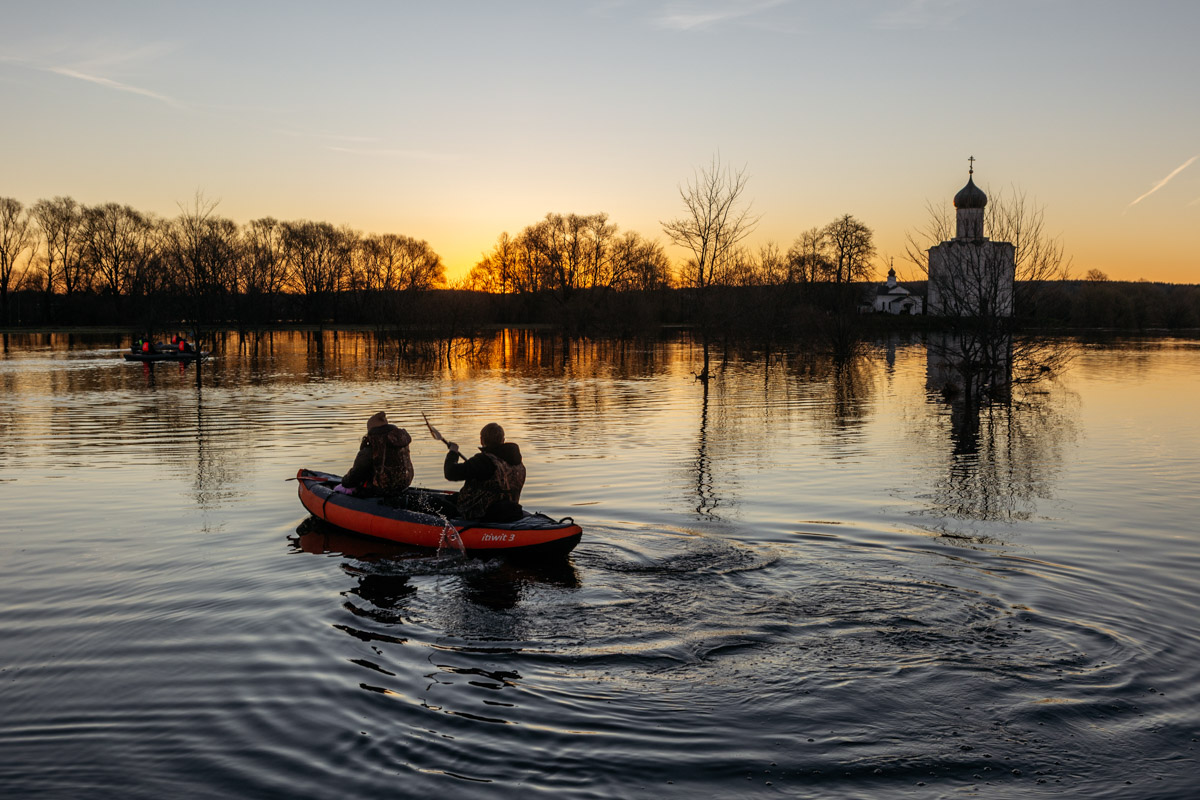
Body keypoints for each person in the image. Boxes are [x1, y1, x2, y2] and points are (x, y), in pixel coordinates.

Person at [443, 422, 526, 522]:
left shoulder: (483, 461)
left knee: (429, 502)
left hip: (477, 512)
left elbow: (450, 473)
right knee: (452, 498)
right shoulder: (518, 463)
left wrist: (453, 452)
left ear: (482, 440)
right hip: (508, 510)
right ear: (503, 440)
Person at [339, 411, 414, 497]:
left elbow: (355, 475)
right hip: (403, 486)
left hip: (380, 492)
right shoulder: (399, 442)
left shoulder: (371, 449)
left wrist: (344, 481)